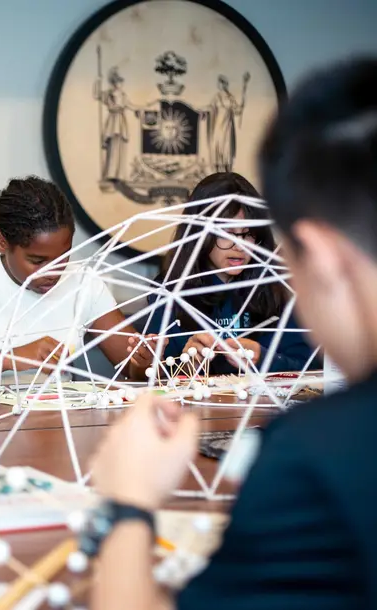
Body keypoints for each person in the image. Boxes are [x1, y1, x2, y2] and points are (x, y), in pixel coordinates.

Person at [88, 57, 377, 609]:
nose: (243, 250)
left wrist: (128, 504)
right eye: (225, 237)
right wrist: (185, 350)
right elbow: (150, 355)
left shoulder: (310, 457)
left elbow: (300, 358)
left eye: (260, 241)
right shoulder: (174, 286)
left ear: (318, 256)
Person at [0, 175, 151, 385]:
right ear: (2, 242)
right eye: (37, 260)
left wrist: (144, 362)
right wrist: (12, 358)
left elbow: (137, 371)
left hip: (63, 415)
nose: (53, 272)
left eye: (64, 257)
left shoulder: (83, 283)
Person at [132, 172, 315, 377]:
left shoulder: (278, 288)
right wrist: (187, 366)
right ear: (198, 233)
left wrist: (264, 359)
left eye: (249, 233)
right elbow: (149, 376)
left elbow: (311, 368)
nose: (239, 246)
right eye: (227, 233)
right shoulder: (169, 293)